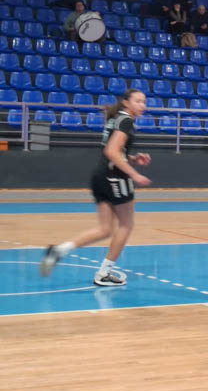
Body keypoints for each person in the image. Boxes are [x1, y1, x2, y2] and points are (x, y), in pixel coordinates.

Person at [39, 88, 152, 286]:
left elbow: (114, 151)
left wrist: (133, 158)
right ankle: (104, 273)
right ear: (126, 103)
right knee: (126, 226)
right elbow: (112, 152)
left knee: (105, 229)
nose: (143, 105)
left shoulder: (116, 118)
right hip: (116, 179)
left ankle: (59, 250)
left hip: (100, 176)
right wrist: (134, 174)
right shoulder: (125, 121)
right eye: (138, 101)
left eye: (144, 101)